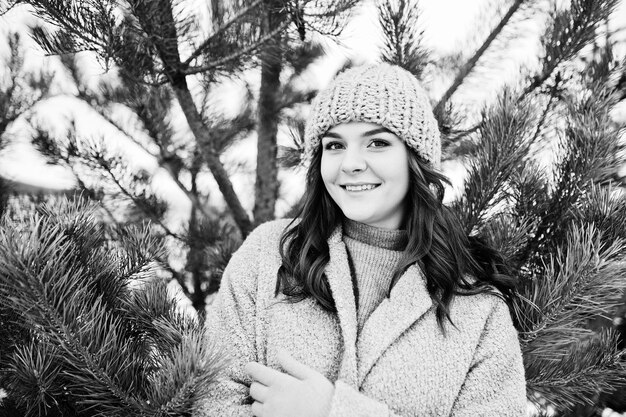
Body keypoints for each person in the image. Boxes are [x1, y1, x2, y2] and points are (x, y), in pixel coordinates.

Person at [193, 63, 527, 417]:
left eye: (377, 142)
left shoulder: (477, 309)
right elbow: (214, 402)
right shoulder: (267, 255)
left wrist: (333, 412)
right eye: (335, 145)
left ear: (416, 158)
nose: (350, 163)